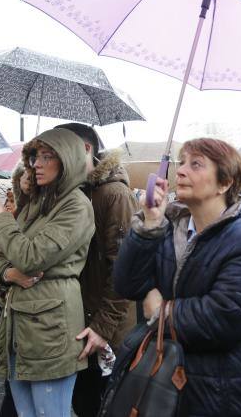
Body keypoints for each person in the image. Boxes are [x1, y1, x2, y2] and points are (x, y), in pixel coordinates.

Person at [114, 138, 241, 416]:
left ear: (224, 184)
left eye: (196, 164)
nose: (182, 170)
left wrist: (162, 311)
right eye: (182, 162)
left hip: (222, 388)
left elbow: (231, 314)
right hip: (165, 379)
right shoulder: (167, 227)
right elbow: (127, 283)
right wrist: (148, 224)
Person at [0, 128, 95, 417]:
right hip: (19, 326)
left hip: (51, 328)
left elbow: (30, 257)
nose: (37, 164)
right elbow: (1, 259)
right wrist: (9, 275)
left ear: (67, 160)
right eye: (34, 157)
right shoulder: (35, 204)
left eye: (47, 157)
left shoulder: (76, 205)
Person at [54, 122, 139, 417]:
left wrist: (103, 327)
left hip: (107, 327)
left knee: (105, 404)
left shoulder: (114, 194)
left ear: (86, 149)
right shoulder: (73, 192)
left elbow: (124, 268)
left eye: (60, 149)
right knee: (84, 402)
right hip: (79, 318)